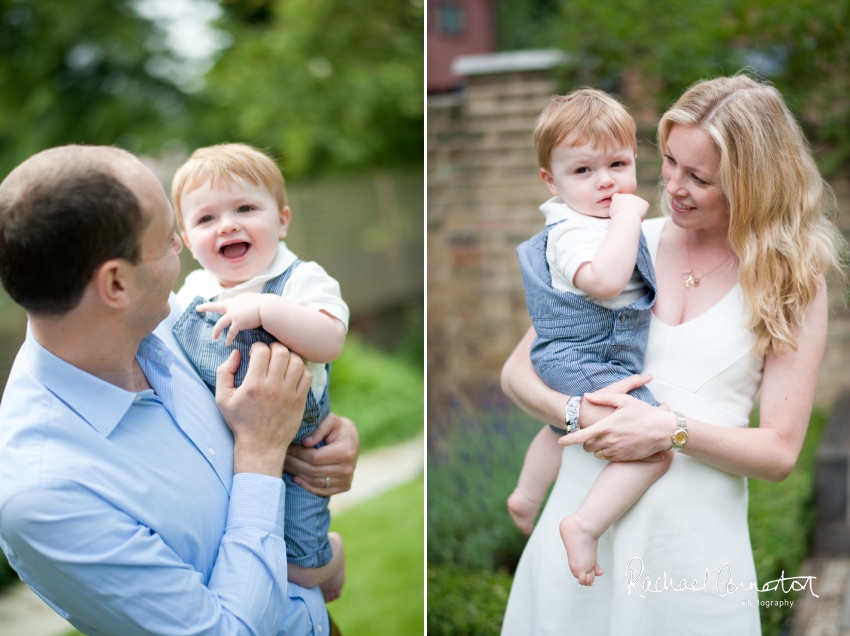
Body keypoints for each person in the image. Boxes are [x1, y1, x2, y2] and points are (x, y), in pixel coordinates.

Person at [500, 75, 843, 634]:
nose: (674, 186)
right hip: (579, 528)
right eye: (669, 161)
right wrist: (579, 414)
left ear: (752, 182)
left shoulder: (792, 281)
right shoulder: (621, 240)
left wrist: (670, 430)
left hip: (690, 552)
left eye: (700, 177)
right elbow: (518, 372)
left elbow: (780, 452)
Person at [0, 145, 360, 635]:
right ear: (116, 284)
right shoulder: (46, 496)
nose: (182, 245)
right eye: (169, 237)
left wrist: (326, 437)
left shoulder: (169, 321)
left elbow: (276, 410)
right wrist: (262, 451)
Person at [506, 89, 671, 586]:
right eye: (583, 171)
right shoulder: (571, 231)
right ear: (551, 182)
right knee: (655, 440)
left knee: (558, 430)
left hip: (593, 354)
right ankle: (583, 525)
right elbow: (603, 282)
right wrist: (627, 218)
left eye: (617, 163)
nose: (605, 182)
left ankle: (526, 495)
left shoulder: (596, 220)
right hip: (579, 354)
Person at [170, 143, 348, 601]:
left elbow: (330, 341)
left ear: (282, 219)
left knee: (301, 568)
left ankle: (331, 561)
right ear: (188, 241)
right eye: (206, 219)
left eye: (246, 208)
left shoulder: (300, 279)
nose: (227, 224)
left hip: (303, 444)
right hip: (236, 452)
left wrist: (267, 308)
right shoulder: (191, 291)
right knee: (246, 553)